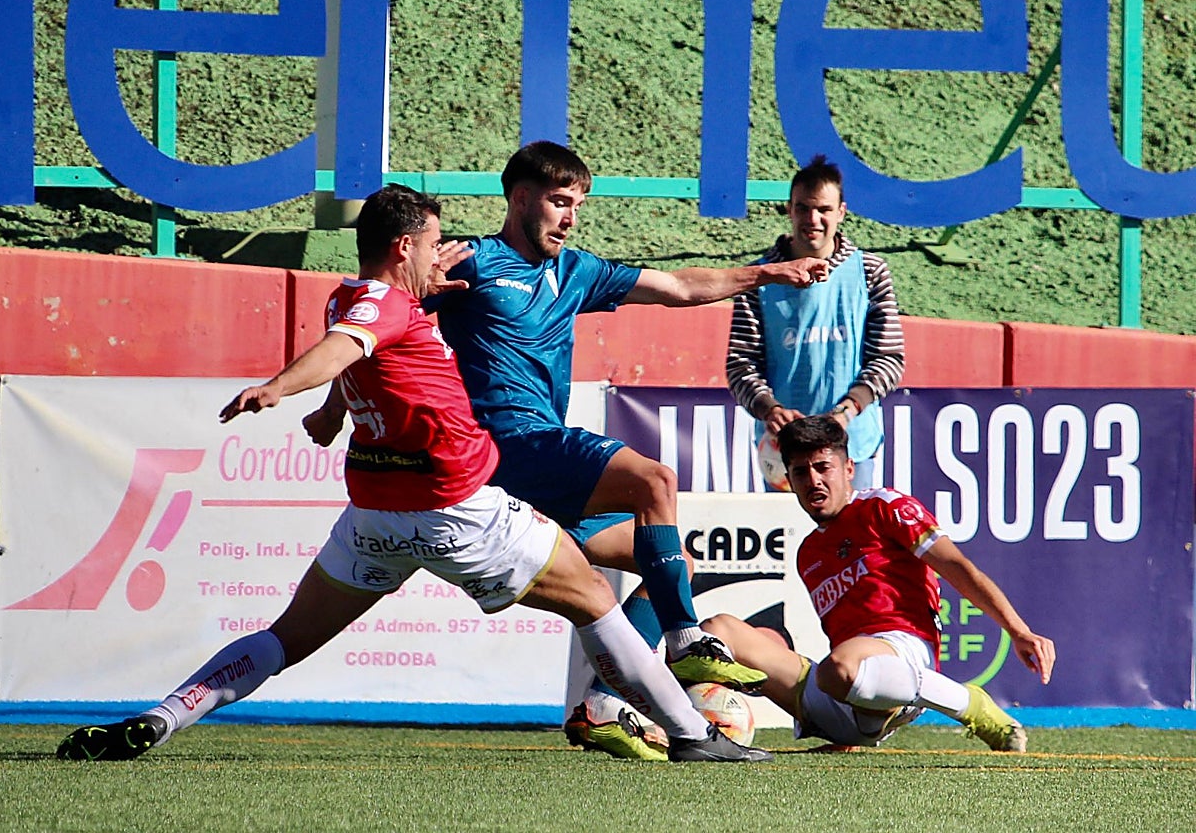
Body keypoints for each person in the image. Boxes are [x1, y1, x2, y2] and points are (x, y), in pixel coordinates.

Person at [55, 184, 773, 764]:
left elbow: (361, 347)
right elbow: (344, 346)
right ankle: (691, 736)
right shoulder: (381, 303)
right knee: (592, 599)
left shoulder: (360, 295)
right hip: (457, 510)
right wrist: (281, 386)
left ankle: (164, 715)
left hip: (375, 518)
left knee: (283, 639)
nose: (446, 255)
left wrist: (334, 411)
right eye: (434, 244)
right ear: (404, 248)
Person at [417, 140, 829, 760]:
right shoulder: (473, 262)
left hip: (538, 470)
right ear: (520, 198)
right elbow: (383, 316)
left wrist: (766, 273)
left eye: (578, 203)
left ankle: (609, 706)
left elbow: (682, 286)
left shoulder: (578, 271)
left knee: (668, 563)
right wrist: (416, 281)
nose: (570, 216)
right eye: (559, 201)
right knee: (655, 482)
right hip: (510, 447)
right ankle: (686, 643)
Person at [699, 415, 1056, 752]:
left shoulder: (884, 507)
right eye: (801, 472)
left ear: (849, 468)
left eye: (824, 468)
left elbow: (958, 568)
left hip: (902, 651)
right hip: (843, 688)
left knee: (837, 668)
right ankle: (684, 733)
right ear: (789, 481)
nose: (814, 481)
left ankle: (971, 705)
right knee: (713, 633)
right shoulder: (808, 553)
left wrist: (1018, 630)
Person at [726, 154, 904, 491]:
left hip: (853, 444)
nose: (813, 218)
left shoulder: (870, 272)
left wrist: (847, 411)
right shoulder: (759, 278)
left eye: (823, 209)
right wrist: (770, 410)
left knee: (854, 542)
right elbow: (741, 363)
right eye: (804, 208)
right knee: (788, 540)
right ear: (789, 209)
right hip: (785, 452)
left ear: (841, 212)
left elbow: (888, 358)